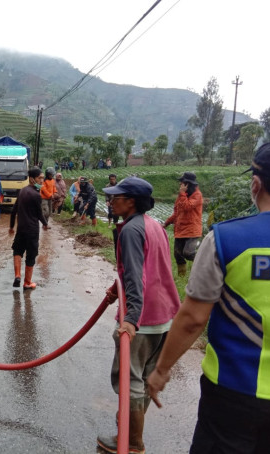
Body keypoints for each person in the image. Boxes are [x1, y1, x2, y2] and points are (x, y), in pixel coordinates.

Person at [147, 143, 270, 454]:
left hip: (235, 393)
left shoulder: (227, 239)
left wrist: (161, 369)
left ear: (255, 184)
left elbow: (192, 319)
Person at [97, 176, 180, 454]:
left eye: (115, 197)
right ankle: (130, 430)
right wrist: (113, 291)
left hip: (142, 321)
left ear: (130, 201)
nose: (110, 201)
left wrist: (131, 318)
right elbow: (150, 268)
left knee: (130, 381)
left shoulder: (131, 230)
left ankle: (132, 442)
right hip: (164, 316)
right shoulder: (154, 225)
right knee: (143, 379)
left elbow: (134, 277)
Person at [9, 167, 48, 290]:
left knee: (17, 251)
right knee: (31, 255)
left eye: (43, 178)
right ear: (32, 179)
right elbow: (39, 214)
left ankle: (17, 275)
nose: (42, 180)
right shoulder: (36, 195)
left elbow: (14, 210)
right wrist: (45, 224)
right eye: (39, 178)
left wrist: (11, 226)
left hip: (21, 229)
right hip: (32, 230)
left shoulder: (22, 191)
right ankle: (27, 283)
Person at [163, 172, 203, 277]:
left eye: (182, 182)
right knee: (177, 254)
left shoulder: (197, 195)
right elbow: (177, 212)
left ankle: (204, 262)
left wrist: (182, 193)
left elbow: (187, 206)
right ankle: (181, 278)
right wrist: (166, 223)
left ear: (188, 184)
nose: (180, 184)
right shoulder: (182, 196)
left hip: (192, 230)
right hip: (180, 229)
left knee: (188, 253)